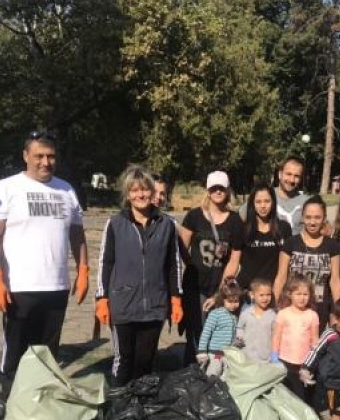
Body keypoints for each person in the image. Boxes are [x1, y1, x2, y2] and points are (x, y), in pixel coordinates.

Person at [0, 131, 89, 380]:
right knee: (15, 357)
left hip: (56, 287)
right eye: (38, 155)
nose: (45, 162)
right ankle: (10, 408)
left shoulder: (66, 190)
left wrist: (83, 270)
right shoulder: (6, 188)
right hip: (19, 287)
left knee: (48, 357)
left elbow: (77, 235)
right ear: (25, 156)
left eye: (50, 156)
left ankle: (41, 410)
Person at [95, 165, 183, 387]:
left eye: (145, 189)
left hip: (154, 306)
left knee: (145, 362)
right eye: (134, 190)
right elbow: (106, 262)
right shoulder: (115, 224)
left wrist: (176, 298)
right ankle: (118, 411)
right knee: (124, 361)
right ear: (127, 194)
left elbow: (174, 264)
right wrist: (102, 299)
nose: (140, 195)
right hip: (123, 304)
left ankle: (141, 411)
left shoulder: (167, 225)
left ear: (152, 192)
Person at [180, 171, 244, 364]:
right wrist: (193, 266)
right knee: (195, 331)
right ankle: (190, 373)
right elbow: (182, 247)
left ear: (227, 190)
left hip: (219, 286)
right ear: (208, 190)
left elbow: (235, 259)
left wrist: (219, 293)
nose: (218, 191)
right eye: (214, 188)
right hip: (195, 285)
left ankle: (212, 375)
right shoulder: (194, 216)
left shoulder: (234, 221)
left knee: (217, 332)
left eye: (221, 188)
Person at [273, 195, 340, 330]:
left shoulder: (332, 246)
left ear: (324, 218)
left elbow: (335, 280)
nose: (312, 222)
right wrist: (274, 305)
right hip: (292, 308)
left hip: (320, 309)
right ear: (302, 218)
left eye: (317, 217)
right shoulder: (291, 243)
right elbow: (281, 277)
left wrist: (338, 310)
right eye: (308, 217)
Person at [271, 274, 320, 405]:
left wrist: (314, 361)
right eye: (298, 294)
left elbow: (315, 340)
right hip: (284, 361)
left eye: (305, 294)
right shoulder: (283, 313)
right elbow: (276, 336)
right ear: (289, 294)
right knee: (284, 395)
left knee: (301, 397)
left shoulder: (313, 315)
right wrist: (274, 356)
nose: (302, 298)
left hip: (304, 364)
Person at [237, 183, 292, 296]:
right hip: (248, 294)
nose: (263, 206)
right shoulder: (242, 229)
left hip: (274, 293)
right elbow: (234, 262)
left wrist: (276, 295)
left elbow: (285, 268)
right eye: (258, 202)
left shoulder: (284, 228)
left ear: (273, 202)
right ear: (252, 204)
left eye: (267, 201)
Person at [240, 156, 307, 234]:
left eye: (296, 176)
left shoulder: (306, 202)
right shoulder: (265, 195)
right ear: (280, 174)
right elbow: (239, 219)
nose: (292, 180)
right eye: (288, 174)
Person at [197, 280, 242, 377]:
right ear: (223, 300)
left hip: (228, 355)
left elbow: (233, 333)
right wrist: (202, 351)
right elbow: (206, 333)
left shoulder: (235, 316)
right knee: (213, 374)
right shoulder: (215, 314)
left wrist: (237, 342)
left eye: (236, 301)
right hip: (215, 354)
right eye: (230, 301)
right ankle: (207, 390)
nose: (234, 305)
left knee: (224, 377)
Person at [235, 278, 277, 362]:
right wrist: (239, 338)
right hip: (246, 356)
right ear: (252, 295)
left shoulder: (272, 315)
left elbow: (275, 336)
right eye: (261, 295)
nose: (265, 298)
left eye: (268, 295)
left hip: (265, 358)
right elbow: (240, 327)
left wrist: (274, 355)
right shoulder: (245, 313)